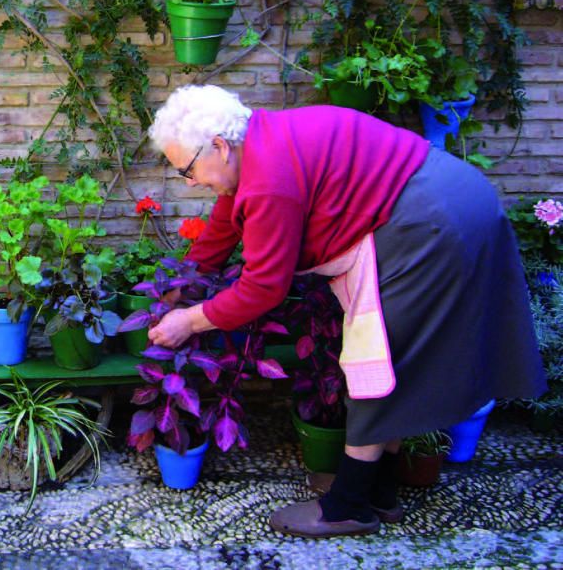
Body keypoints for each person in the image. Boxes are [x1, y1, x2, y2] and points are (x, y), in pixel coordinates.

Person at [145, 85, 547, 538]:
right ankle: (379, 490)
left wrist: (190, 320)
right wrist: (185, 281)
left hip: (430, 225)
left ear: (218, 145)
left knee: (375, 363)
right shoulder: (260, 142)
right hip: (443, 201)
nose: (190, 181)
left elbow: (262, 288)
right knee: (394, 360)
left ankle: (348, 507)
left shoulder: (269, 178)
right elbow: (226, 219)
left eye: (187, 169)